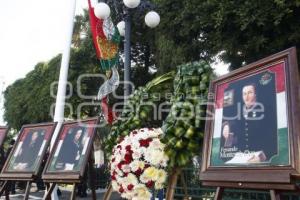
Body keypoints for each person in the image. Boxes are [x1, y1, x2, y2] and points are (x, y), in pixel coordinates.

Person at [222, 71, 278, 164]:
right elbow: (233, 121)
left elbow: (274, 136)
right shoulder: (240, 111)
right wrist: (227, 125)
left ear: (255, 94)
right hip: (242, 157)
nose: (246, 97)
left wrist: (265, 155)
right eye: (244, 94)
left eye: (250, 93)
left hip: (260, 157)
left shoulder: (266, 110)